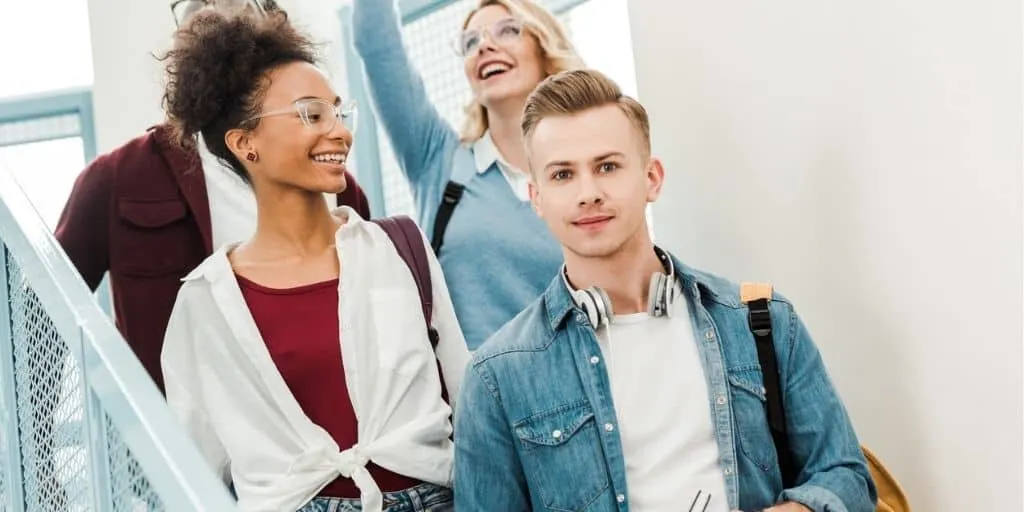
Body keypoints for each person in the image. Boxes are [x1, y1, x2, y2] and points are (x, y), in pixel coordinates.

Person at [453, 69, 877, 512]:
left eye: (608, 166)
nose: (589, 193)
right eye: (563, 175)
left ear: (652, 178)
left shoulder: (761, 321)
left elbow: (846, 477)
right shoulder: (496, 378)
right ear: (537, 197)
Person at [157, 9, 468, 512]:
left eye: (338, 113)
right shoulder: (205, 302)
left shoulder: (401, 249)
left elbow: (467, 398)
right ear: (244, 142)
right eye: (310, 114)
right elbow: (197, 468)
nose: (339, 132)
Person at [54, 0, 371, 393]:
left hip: (331, 434)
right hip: (180, 448)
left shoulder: (338, 191)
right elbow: (40, 323)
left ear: (270, 20)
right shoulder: (117, 178)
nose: (208, 13)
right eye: (191, 5)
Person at [352, 0, 584, 349]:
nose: (486, 46)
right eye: (471, 41)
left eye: (508, 30)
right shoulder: (439, 160)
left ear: (543, 47)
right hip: (472, 399)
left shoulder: (584, 172)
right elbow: (376, 45)